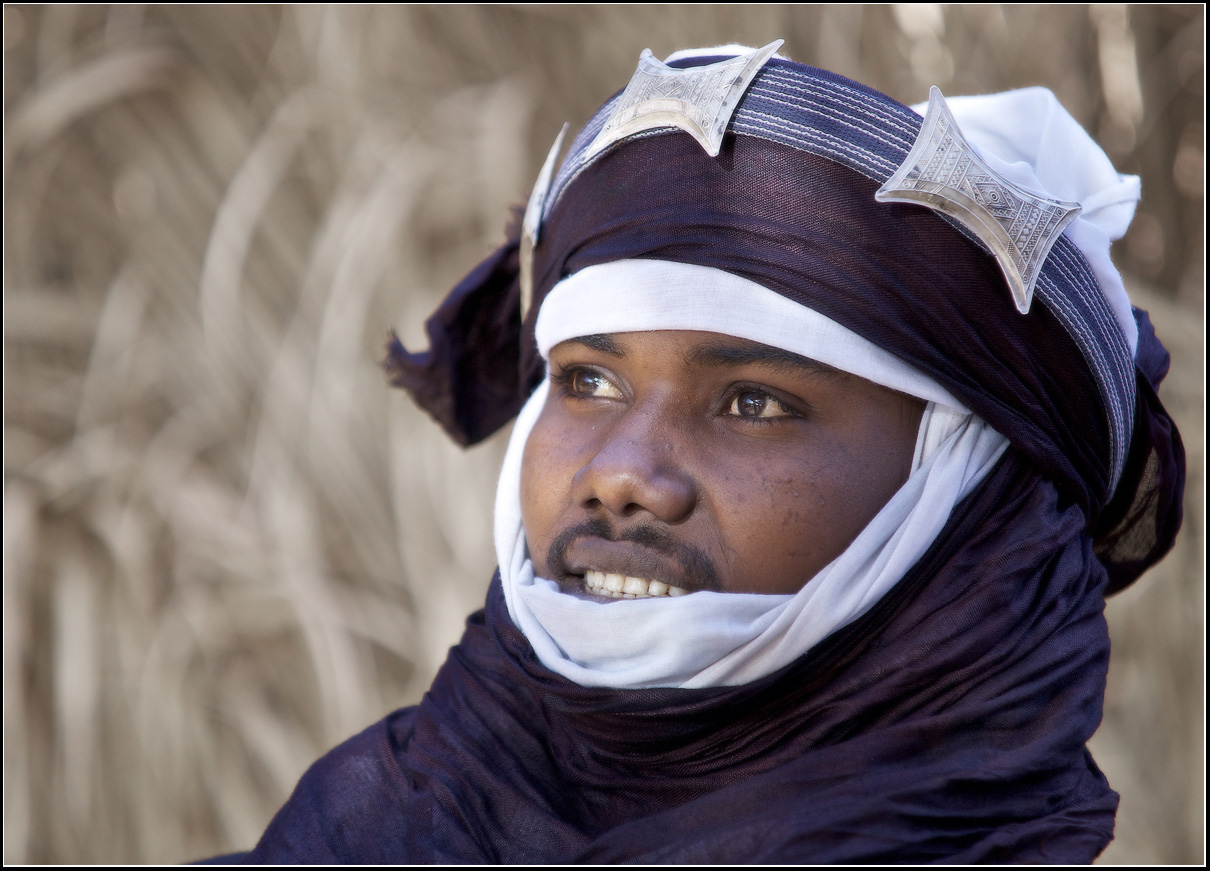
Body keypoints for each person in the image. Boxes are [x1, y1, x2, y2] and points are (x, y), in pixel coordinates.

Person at [215, 42, 1184, 863]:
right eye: (588, 381)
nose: (623, 474)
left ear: (963, 495)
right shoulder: (371, 829)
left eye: (753, 401)